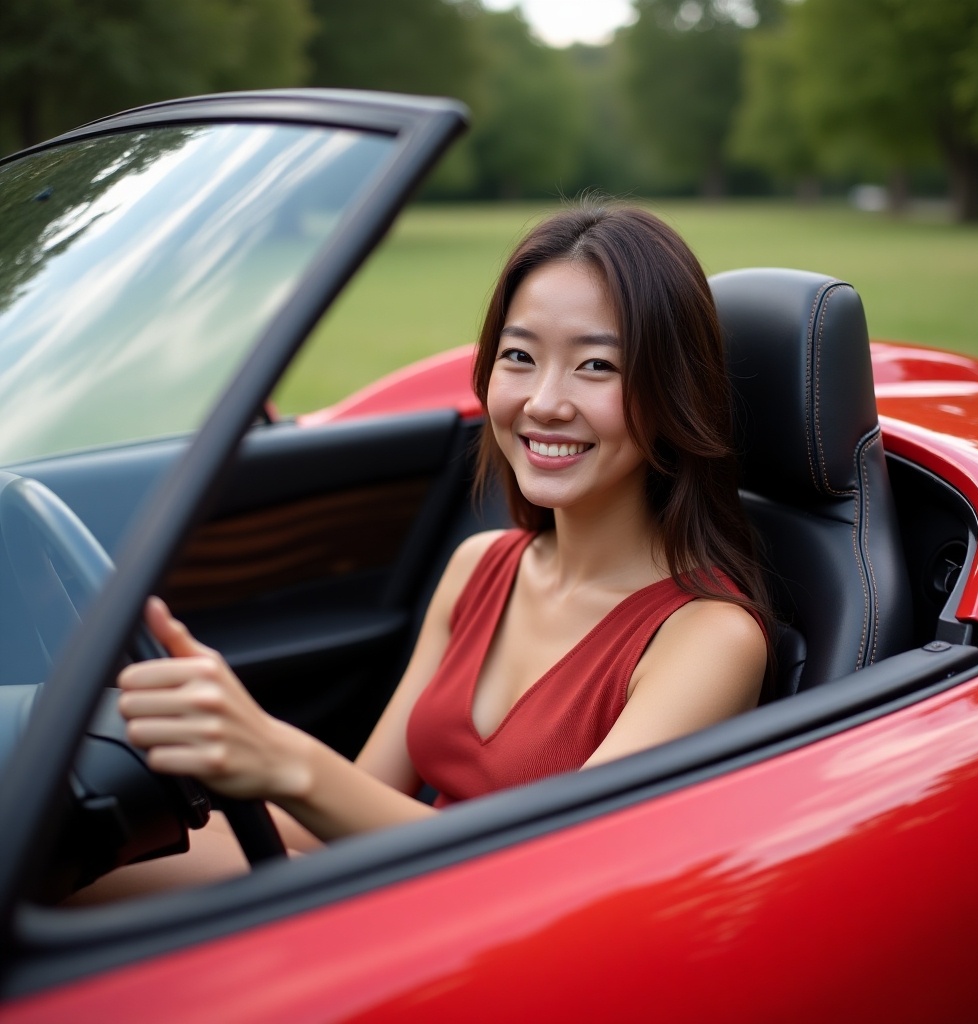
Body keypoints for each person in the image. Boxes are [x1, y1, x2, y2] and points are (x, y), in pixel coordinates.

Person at [92, 203, 772, 895]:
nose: (543, 401)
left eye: (596, 365)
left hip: (507, 949)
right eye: (519, 356)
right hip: (403, 894)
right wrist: (186, 795)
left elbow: (549, 874)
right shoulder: (479, 568)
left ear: (673, 394)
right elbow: (346, 808)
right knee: (85, 852)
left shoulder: (709, 636)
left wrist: (282, 757)